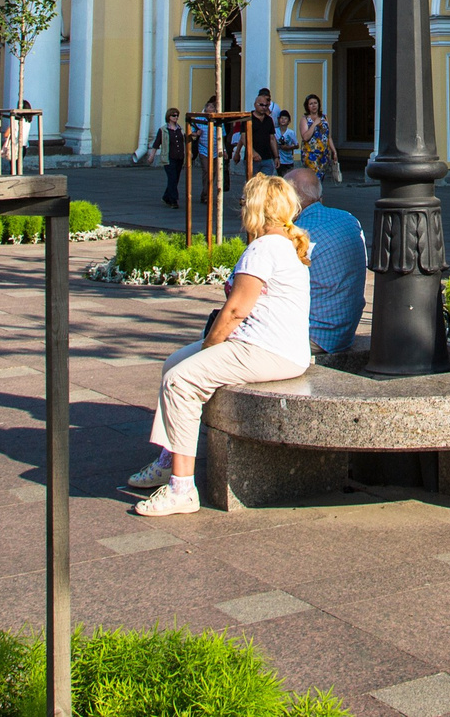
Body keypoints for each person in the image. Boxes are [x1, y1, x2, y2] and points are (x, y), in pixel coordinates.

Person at [127, 174, 316, 516]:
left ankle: (182, 489)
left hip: (266, 350)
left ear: (257, 209)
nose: (241, 207)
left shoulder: (263, 249)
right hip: (276, 347)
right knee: (173, 363)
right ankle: (169, 457)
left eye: (244, 202)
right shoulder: (283, 244)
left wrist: (208, 348)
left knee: (180, 381)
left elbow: (234, 312)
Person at [284, 166, 364, 355]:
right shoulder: (349, 219)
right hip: (343, 333)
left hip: (310, 335)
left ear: (291, 200)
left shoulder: (296, 233)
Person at [296, 95, 337, 183]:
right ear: (307, 106)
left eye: (315, 103)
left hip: (324, 154)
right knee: (315, 177)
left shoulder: (324, 117)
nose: (314, 105)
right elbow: (305, 137)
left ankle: (317, 195)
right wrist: (314, 124)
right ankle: (315, 196)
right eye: (311, 104)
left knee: (320, 178)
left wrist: (334, 152)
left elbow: (328, 137)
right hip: (310, 154)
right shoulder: (305, 119)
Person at [155, 107, 188, 208]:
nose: (176, 117)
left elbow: (186, 140)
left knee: (175, 179)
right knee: (172, 178)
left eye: (177, 115)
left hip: (179, 157)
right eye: (174, 115)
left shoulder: (180, 130)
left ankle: (166, 197)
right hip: (169, 158)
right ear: (169, 117)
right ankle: (174, 200)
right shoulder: (163, 130)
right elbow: (156, 143)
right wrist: (152, 156)